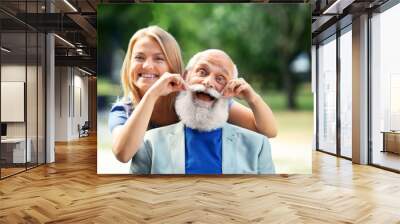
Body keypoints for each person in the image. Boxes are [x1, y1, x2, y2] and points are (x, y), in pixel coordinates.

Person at [109, 26, 277, 164]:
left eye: (159, 59)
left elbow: (269, 131)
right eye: (139, 57)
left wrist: (252, 98)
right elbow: (122, 154)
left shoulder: (192, 98)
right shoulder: (123, 110)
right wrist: (152, 95)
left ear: (175, 68)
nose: (147, 65)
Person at [130, 49, 275, 174]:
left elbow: (269, 199)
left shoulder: (257, 146)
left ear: (231, 89)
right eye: (202, 72)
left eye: (220, 78)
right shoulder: (149, 144)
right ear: (186, 76)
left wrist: (252, 97)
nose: (208, 82)